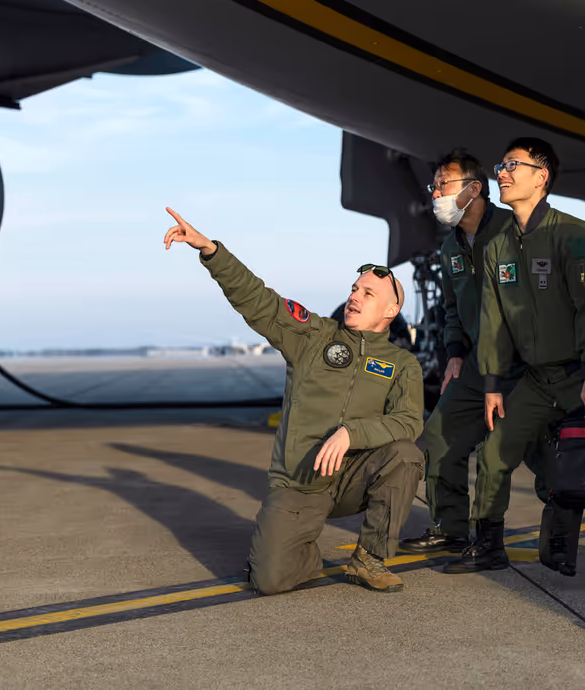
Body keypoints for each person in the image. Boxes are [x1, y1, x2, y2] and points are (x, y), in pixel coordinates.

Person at [163, 208, 424, 595]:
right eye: (354, 289)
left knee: (406, 455)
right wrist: (211, 251)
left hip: (354, 477)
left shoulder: (402, 364)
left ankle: (368, 558)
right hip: (302, 482)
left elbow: (407, 422)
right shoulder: (314, 336)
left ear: (391, 311)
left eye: (368, 293)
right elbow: (261, 302)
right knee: (268, 580)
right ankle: (302, 553)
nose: (355, 297)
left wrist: (352, 434)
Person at [444, 137, 585, 575]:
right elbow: (494, 318)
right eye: (501, 165)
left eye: (512, 165)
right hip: (536, 380)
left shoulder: (573, 235)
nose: (502, 172)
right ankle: (487, 545)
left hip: (582, 376)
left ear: (541, 177)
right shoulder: (499, 244)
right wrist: (493, 383)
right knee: (496, 450)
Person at [398, 149, 522, 554]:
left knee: (533, 456)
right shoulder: (450, 247)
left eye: (443, 185)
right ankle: (449, 527)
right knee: (439, 439)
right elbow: (452, 308)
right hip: (472, 363)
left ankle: (537, 537)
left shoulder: (512, 232)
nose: (435, 193)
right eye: (433, 186)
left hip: (523, 365)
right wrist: (454, 351)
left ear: (474, 189)